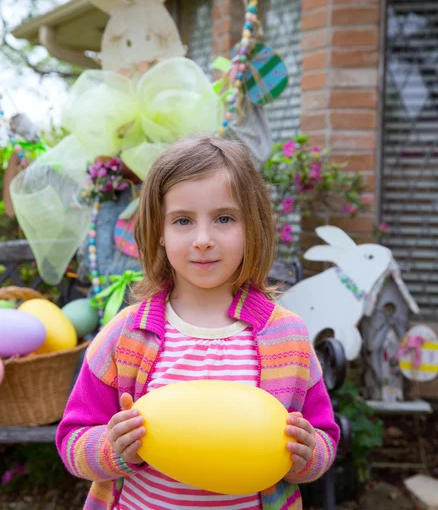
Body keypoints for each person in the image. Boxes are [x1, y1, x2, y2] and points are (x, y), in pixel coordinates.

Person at [56, 135, 340, 510]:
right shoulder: (126, 335)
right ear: (159, 230)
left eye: (224, 218)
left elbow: (324, 436)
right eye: (183, 220)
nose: (203, 239)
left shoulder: (287, 337)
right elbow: (72, 439)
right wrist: (112, 447)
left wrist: (307, 455)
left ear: (251, 226)